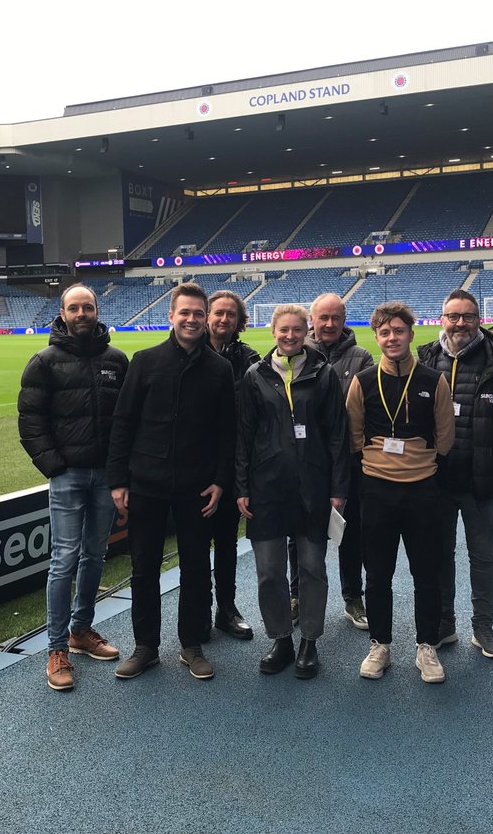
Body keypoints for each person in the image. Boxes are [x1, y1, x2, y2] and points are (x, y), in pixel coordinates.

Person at [106, 282, 236, 681]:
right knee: (144, 567)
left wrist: (220, 480)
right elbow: (123, 422)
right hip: (146, 483)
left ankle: (191, 645)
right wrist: (118, 480)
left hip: (197, 486)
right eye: (186, 313)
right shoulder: (144, 361)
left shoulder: (220, 368)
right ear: (171, 316)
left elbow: (227, 431)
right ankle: (146, 647)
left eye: (199, 313)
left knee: (196, 568)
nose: (193, 319)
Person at [418, 289, 493, 660]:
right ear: (442, 319)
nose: (459, 323)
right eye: (452, 316)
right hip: (436, 481)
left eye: (467, 316)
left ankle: (483, 627)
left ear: (478, 320)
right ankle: (444, 625)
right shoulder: (424, 361)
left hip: (481, 483)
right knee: (439, 556)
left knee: (482, 557)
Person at [17, 283, 129, 692]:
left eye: (88, 307)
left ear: (97, 311)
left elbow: (127, 421)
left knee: (95, 555)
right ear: (62, 314)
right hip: (68, 476)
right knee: (64, 558)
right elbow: (30, 421)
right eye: (74, 308)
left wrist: (121, 471)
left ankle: (82, 631)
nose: (82, 313)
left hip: (107, 477)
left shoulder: (117, 360)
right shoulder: (44, 362)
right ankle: (56, 647)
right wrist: (54, 466)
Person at [236, 305, 349, 678]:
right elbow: (244, 436)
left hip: (313, 486)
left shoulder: (324, 373)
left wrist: (337, 487)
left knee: (312, 568)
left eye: (297, 330)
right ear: (273, 332)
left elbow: (337, 434)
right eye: (283, 330)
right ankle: (281, 637)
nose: (290, 336)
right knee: (269, 572)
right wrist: (242, 487)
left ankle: (309, 641)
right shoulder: (256, 376)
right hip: (267, 487)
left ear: (307, 332)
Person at [345, 301, 455, 683]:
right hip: (376, 490)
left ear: (411, 334)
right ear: (377, 337)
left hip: (423, 489)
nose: (393, 338)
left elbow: (445, 437)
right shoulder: (362, 381)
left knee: (427, 571)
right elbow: (354, 436)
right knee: (378, 573)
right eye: (385, 332)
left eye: (399, 331)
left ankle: (427, 646)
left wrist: (417, 463)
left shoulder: (432, 380)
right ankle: (380, 644)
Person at [287, 292, 373, 631]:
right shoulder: (295, 355)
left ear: (344, 319)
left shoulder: (361, 357)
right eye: (323, 317)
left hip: (347, 463)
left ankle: (353, 597)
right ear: (312, 319)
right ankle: (297, 595)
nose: (329, 324)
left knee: (349, 533)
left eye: (335, 317)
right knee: (299, 534)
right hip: (303, 464)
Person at [203, 290, 260, 641]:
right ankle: (197, 610)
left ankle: (226, 608)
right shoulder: (188, 353)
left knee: (226, 544)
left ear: (239, 321)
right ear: (208, 316)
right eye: (218, 313)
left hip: (233, 465)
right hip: (194, 467)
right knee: (195, 546)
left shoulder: (250, 359)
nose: (224, 320)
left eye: (231, 315)